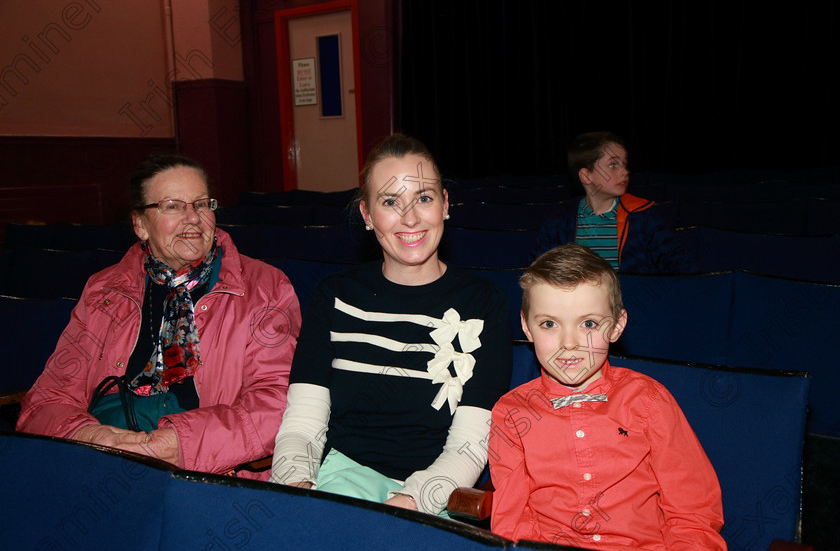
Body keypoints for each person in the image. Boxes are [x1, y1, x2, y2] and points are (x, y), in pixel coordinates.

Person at [17, 153, 301, 479]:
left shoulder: (264, 288)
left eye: (202, 204)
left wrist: (179, 444)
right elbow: (48, 397)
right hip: (101, 459)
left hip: (205, 468)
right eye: (172, 206)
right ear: (140, 225)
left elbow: (277, 403)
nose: (193, 218)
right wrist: (91, 438)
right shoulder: (105, 291)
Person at [269, 133, 512, 515]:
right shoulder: (334, 295)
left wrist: (411, 502)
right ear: (367, 215)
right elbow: (302, 425)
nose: (410, 218)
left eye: (424, 198)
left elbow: (469, 444)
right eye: (390, 202)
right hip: (339, 484)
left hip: (438, 494)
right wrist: (297, 493)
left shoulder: (484, 303)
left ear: (445, 205)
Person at [489, 244, 725, 549]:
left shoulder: (649, 400)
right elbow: (513, 522)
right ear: (526, 327)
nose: (569, 343)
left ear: (616, 326)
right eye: (549, 324)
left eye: (588, 324)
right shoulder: (511, 414)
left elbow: (693, 514)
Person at [532, 132, 694, 274]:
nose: (625, 171)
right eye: (613, 165)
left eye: (624, 164)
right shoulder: (560, 219)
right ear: (586, 176)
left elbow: (680, 267)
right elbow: (538, 271)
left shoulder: (643, 216)